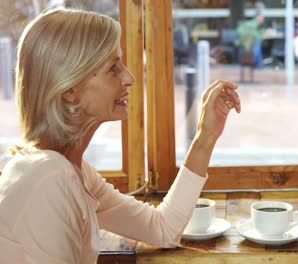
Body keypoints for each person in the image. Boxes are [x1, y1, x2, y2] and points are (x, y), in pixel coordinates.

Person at [0, 8, 241, 263]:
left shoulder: (71, 172)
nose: (129, 78)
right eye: (113, 68)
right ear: (69, 88)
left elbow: (163, 229)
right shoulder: (50, 179)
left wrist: (206, 136)